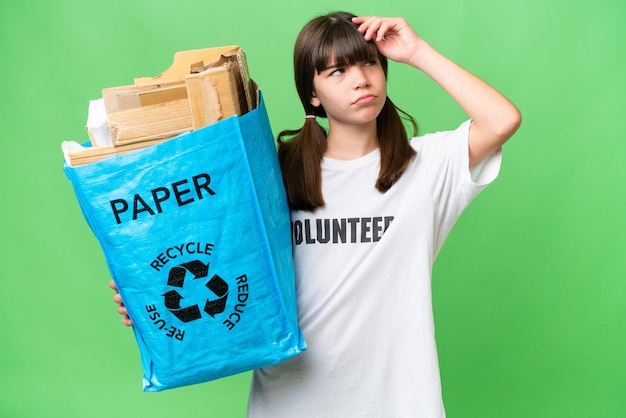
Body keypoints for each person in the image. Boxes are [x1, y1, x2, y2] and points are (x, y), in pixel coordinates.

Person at [111, 11, 521, 417]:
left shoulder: (426, 167)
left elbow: (502, 119)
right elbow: (216, 260)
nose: (361, 79)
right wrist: (147, 295)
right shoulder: (275, 173)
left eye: (369, 63)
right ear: (312, 93)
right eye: (337, 71)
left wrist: (416, 51)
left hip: (399, 402)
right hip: (291, 400)